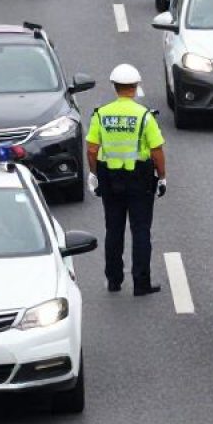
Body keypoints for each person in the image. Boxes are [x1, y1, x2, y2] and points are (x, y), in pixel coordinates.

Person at [86, 64, 167, 296]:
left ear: (114, 86)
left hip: (109, 177)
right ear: (135, 86)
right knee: (141, 230)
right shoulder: (144, 116)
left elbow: (92, 149)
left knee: (113, 229)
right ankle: (141, 283)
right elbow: (156, 150)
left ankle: (113, 280)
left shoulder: (100, 115)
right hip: (140, 178)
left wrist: (94, 174)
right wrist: (162, 177)